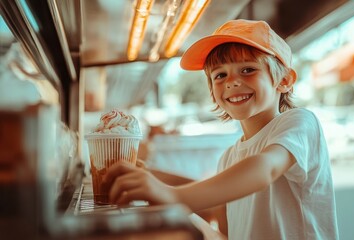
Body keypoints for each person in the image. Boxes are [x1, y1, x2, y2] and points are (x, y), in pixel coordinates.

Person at [103, 19, 339, 239]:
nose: (232, 82)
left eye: (247, 70)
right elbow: (221, 215)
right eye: (220, 75)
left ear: (285, 80)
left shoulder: (299, 122)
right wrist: (152, 178)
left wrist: (173, 195)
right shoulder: (229, 158)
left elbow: (264, 169)